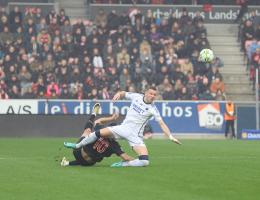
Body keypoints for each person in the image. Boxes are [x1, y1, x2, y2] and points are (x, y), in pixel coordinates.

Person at [64, 87, 181, 167]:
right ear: (145, 93)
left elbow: (162, 124)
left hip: (136, 136)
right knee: (97, 133)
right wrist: (118, 94)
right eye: (151, 93)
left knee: (145, 161)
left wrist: (170, 136)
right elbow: (123, 93)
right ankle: (78, 145)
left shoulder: (153, 109)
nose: (152, 96)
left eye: (155, 95)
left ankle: (123, 165)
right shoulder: (136, 96)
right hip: (124, 128)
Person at [61, 103, 133, 167]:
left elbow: (98, 121)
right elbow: (126, 157)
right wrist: (139, 161)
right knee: (94, 154)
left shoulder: (101, 131)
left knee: (87, 131)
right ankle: (67, 163)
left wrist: (111, 118)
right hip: (88, 163)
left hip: (78, 153)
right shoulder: (115, 145)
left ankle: (93, 114)